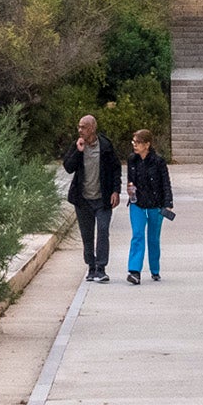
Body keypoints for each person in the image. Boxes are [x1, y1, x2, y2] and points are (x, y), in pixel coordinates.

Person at [60, 113, 121, 281]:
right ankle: (91, 267)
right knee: (87, 235)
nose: (80, 130)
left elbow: (116, 169)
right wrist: (79, 152)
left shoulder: (106, 146)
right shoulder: (77, 146)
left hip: (103, 199)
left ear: (92, 128)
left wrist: (116, 190)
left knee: (102, 231)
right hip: (83, 200)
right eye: (79, 127)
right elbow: (68, 167)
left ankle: (101, 268)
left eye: (83, 127)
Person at [124, 128, 173, 285]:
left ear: (147, 144)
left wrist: (168, 203)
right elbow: (130, 180)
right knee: (137, 235)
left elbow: (165, 183)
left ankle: (155, 269)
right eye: (134, 142)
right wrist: (130, 190)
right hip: (137, 203)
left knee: (153, 238)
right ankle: (134, 271)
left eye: (138, 142)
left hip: (155, 204)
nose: (135, 145)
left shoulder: (158, 161)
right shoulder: (132, 160)